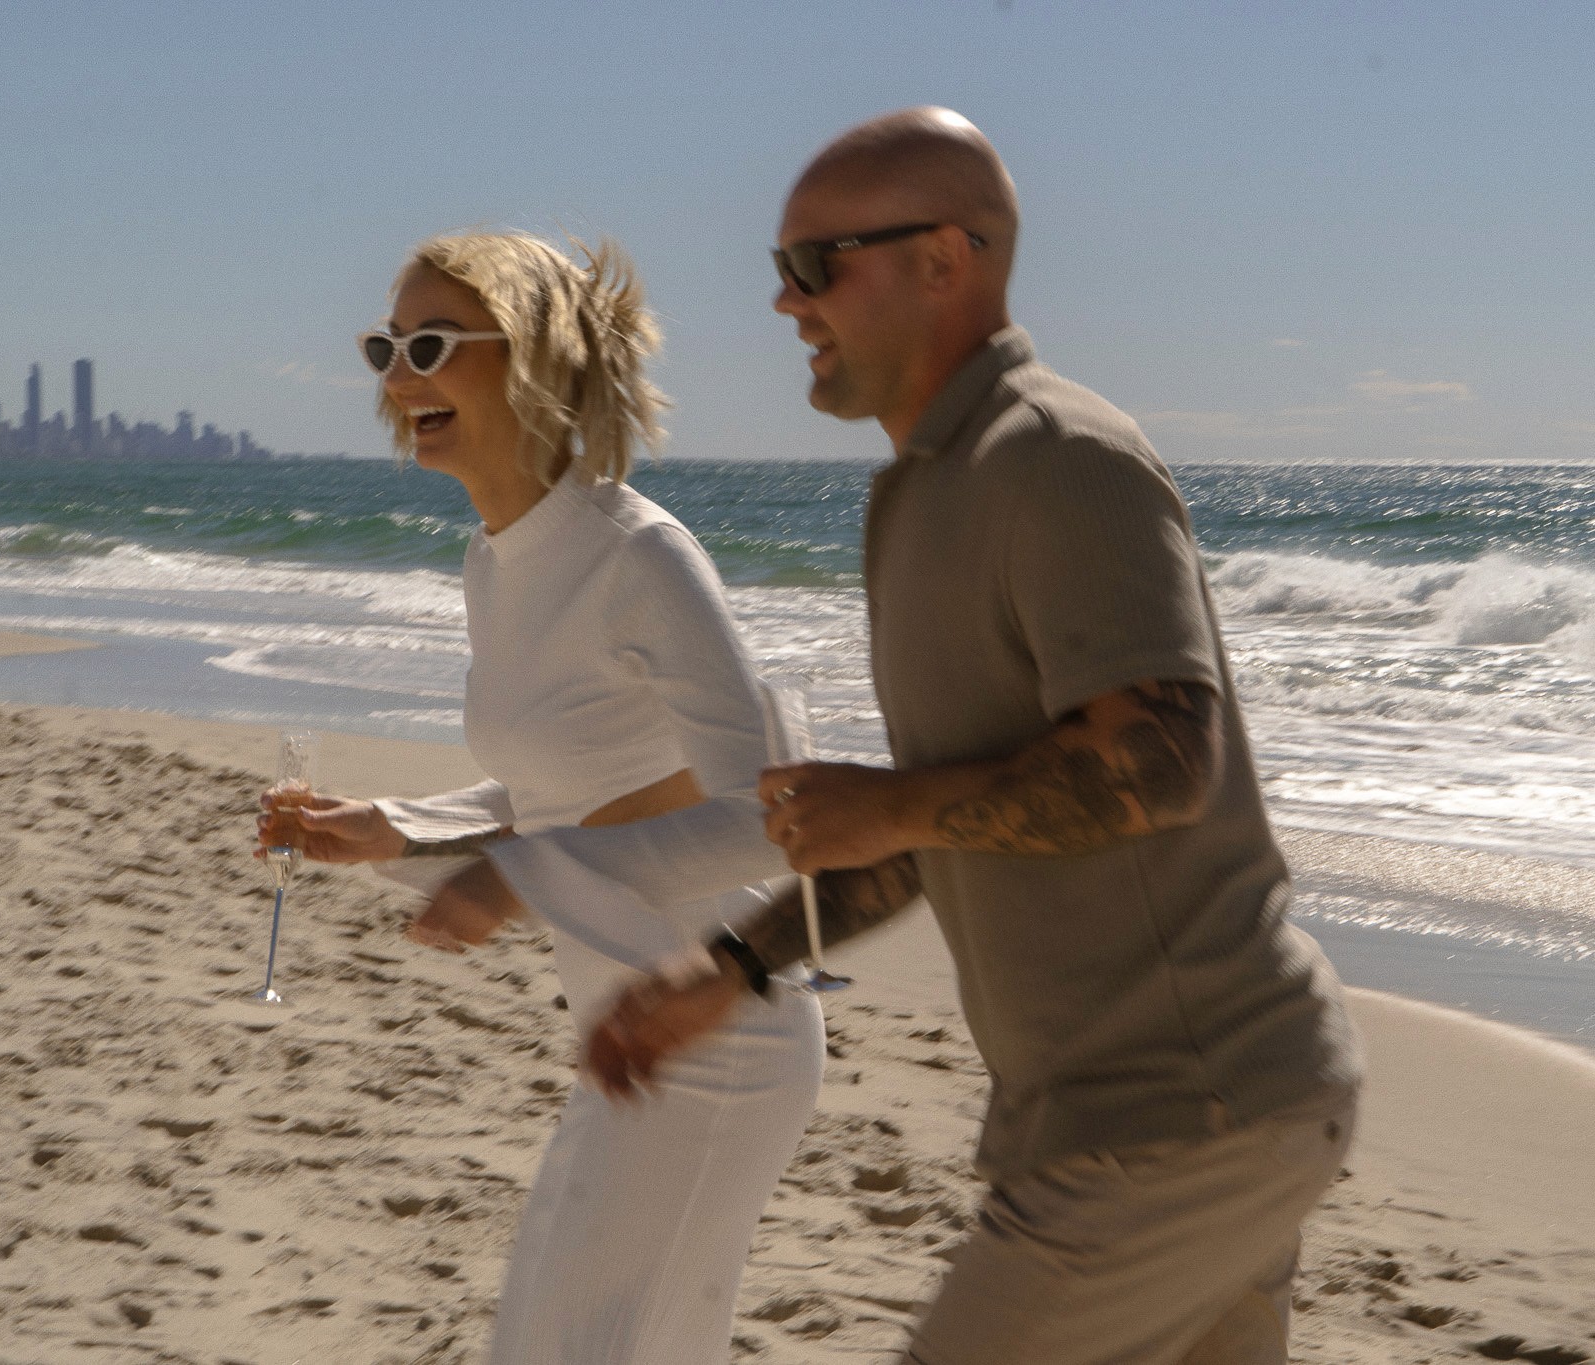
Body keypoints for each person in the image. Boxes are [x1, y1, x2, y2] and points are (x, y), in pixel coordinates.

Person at [581, 109, 1365, 1365]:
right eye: (781, 268)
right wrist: (731, 968)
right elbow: (964, 815)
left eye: (813, 265)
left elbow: (1162, 764)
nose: (785, 302)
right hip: (1176, 1115)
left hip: (1178, 1116)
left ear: (944, 259)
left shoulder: (1055, 457)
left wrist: (886, 804)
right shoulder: (923, 493)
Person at [262, 231, 823, 1364]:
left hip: (720, 1034)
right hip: (619, 1033)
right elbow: (569, 786)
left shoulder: (640, 555)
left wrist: (523, 873)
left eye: (430, 344)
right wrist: (396, 827)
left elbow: (762, 824)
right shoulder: (495, 558)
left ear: (536, 357)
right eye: (385, 347)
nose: (398, 377)